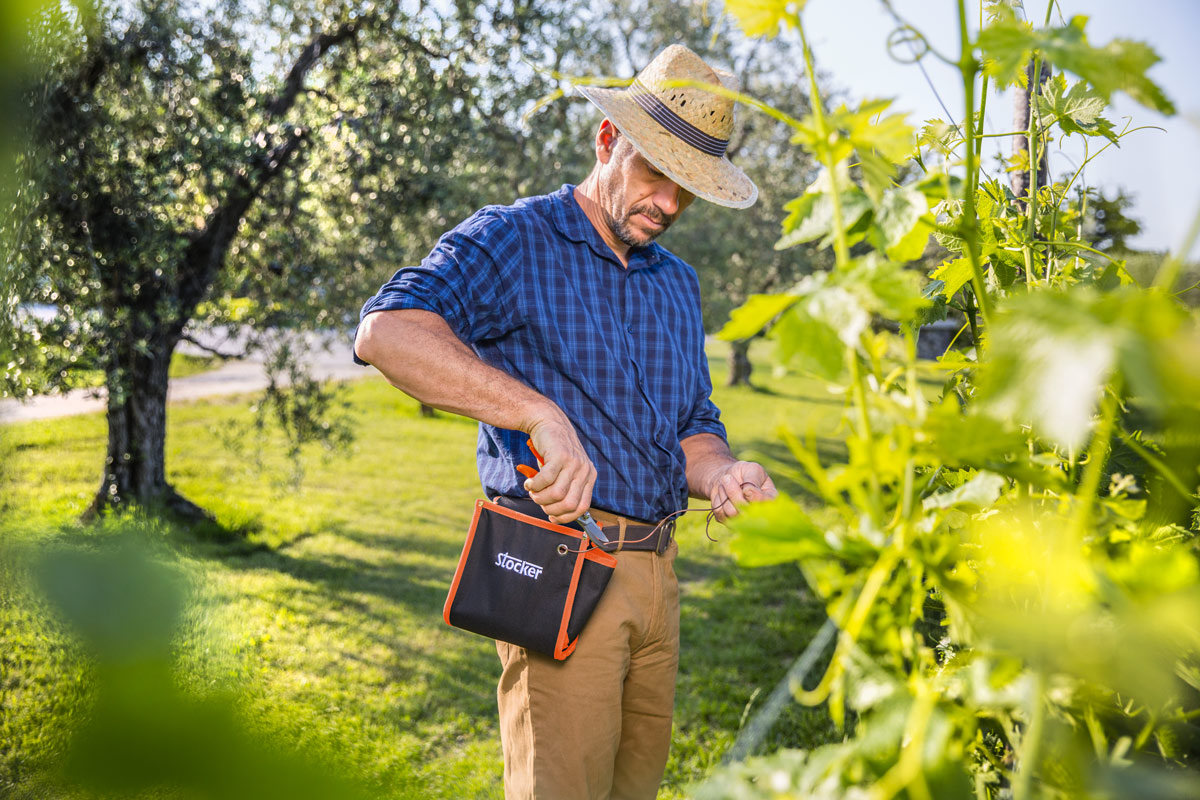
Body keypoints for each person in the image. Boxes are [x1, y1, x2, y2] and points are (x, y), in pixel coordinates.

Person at [352, 43, 777, 800]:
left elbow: (691, 425)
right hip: (562, 568)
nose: (670, 207)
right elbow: (387, 332)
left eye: (687, 190)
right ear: (608, 141)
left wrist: (720, 471)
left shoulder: (678, 283)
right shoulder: (516, 239)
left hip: (658, 578)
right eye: (658, 177)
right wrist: (535, 410)